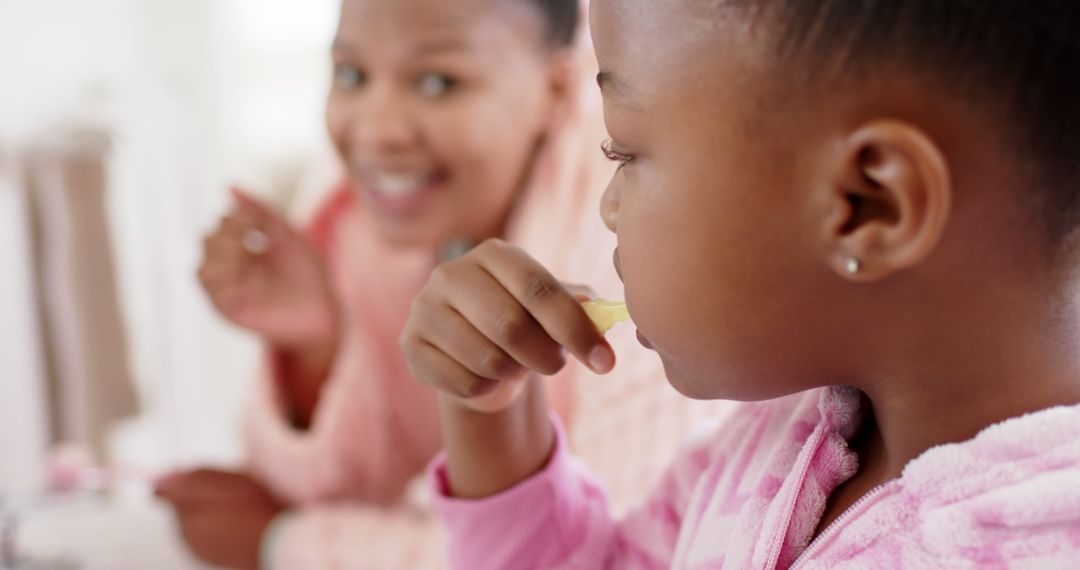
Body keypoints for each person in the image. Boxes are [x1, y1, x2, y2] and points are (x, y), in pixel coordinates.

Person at [401, 0, 1080, 567]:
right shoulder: (777, 450)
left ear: (868, 204)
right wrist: (494, 419)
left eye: (626, 151)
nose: (608, 208)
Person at [157, 0, 724, 567]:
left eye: (436, 82)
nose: (377, 130)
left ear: (556, 87)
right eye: (351, 74)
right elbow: (311, 490)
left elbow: (630, 544)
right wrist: (316, 347)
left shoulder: (630, 220)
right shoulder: (362, 194)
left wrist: (284, 544)